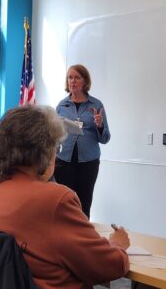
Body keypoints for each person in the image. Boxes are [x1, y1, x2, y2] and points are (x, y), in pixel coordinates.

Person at [0, 105, 129, 289]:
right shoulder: (56, 200)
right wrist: (117, 245)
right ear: (44, 151)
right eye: (56, 148)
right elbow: (108, 267)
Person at [54, 64, 110, 218]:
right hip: (64, 161)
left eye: (77, 77)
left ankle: (83, 239)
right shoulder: (61, 106)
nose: (72, 81)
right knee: (64, 203)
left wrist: (99, 125)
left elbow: (105, 138)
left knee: (84, 203)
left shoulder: (96, 105)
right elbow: (54, 135)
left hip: (88, 163)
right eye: (70, 77)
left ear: (85, 81)